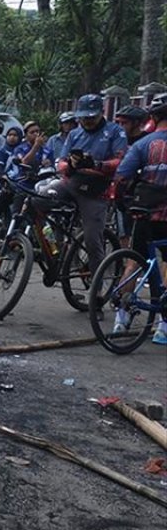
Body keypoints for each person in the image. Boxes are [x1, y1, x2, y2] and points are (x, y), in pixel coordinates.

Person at [111, 97, 167, 344]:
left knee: (133, 261)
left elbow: (121, 176)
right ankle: (163, 327)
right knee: (165, 262)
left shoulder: (143, 144)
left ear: (153, 119)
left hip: (142, 213)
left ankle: (121, 318)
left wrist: (126, 203)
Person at [56, 93, 127, 270]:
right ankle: (47, 249)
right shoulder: (74, 133)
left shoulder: (115, 132)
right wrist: (70, 166)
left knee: (92, 241)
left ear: (101, 113)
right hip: (71, 182)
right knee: (37, 199)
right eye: (83, 117)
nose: (87, 121)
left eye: (91, 117)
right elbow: (61, 161)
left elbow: (121, 161)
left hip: (96, 189)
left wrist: (98, 164)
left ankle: (98, 286)